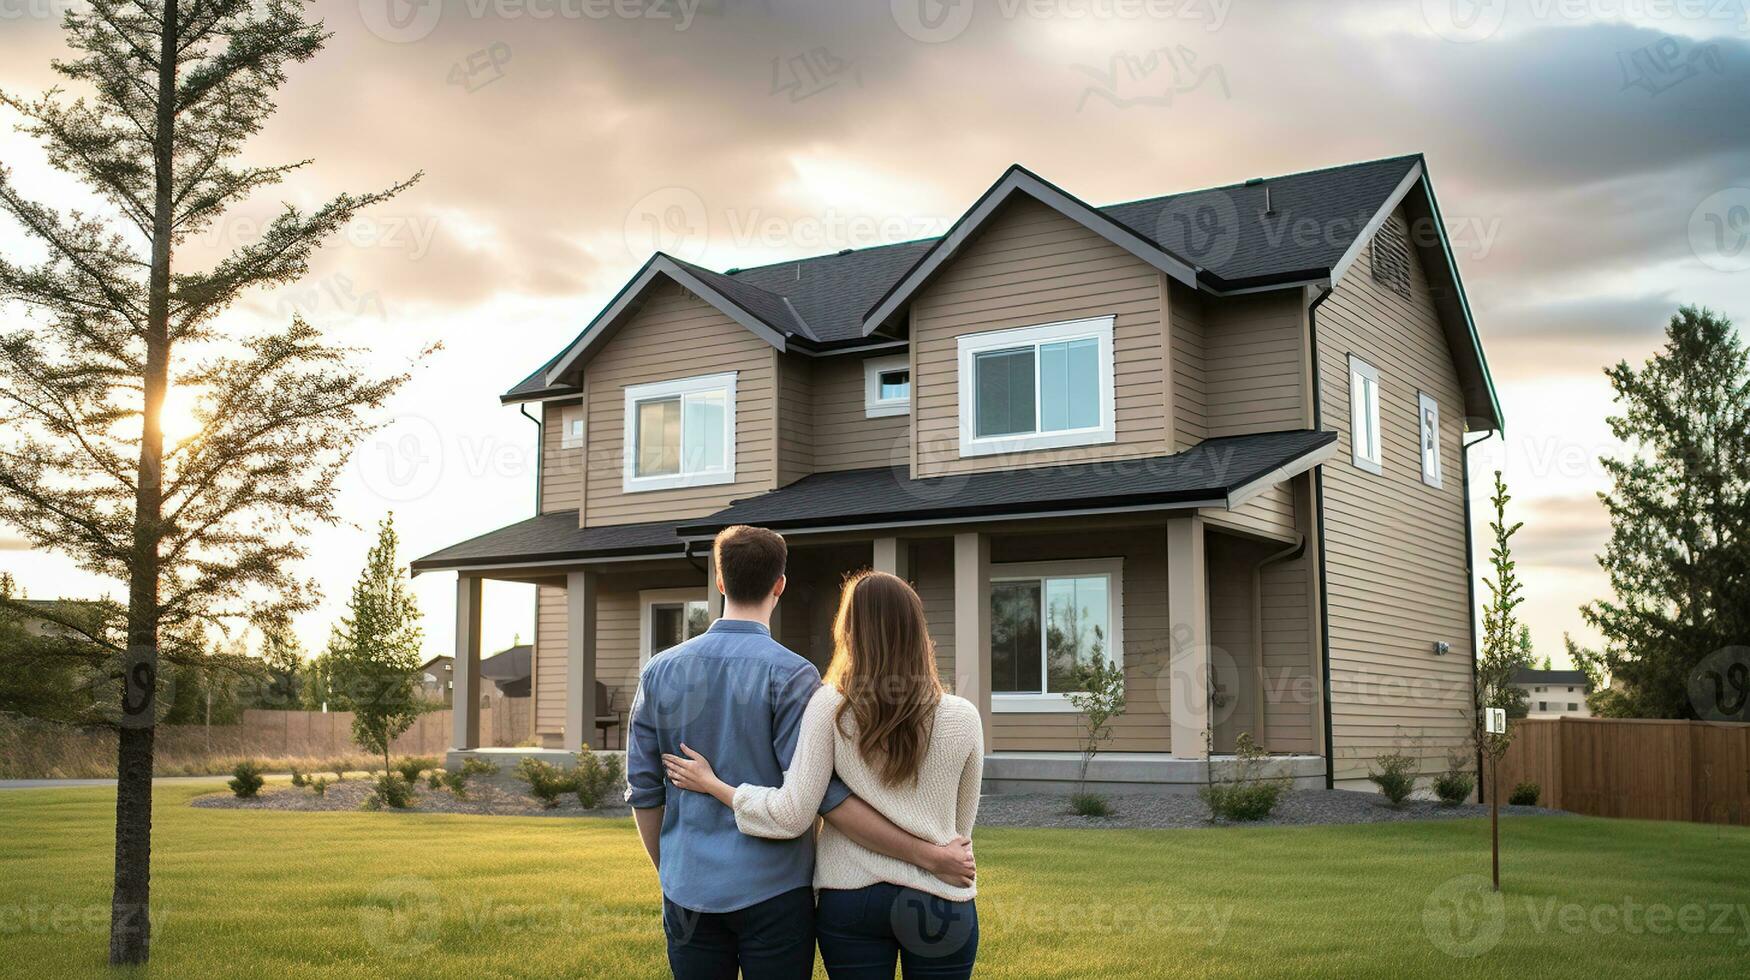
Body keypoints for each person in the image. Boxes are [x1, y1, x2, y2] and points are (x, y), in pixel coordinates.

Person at [625, 526, 975, 980]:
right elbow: (825, 797)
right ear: (780, 585)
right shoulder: (793, 675)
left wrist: (671, 869)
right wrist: (930, 855)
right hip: (775, 892)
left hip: (688, 887)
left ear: (719, 581)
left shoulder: (659, 670)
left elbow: (645, 790)